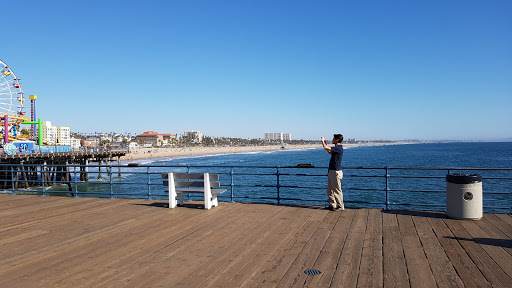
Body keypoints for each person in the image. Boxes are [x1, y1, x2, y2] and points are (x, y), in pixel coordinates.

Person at [321, 134, 344, 211]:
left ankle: (341, 206)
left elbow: (325, 148)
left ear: (337, 140)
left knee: (337, 190)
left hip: (336, 171)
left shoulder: (339, 148)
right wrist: (325, 143)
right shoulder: (336, 149)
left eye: (334, 139)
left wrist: (323, 142)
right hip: (331, 171)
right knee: (330, 189)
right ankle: (332, 205)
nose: (332, 140)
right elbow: (329, 151)